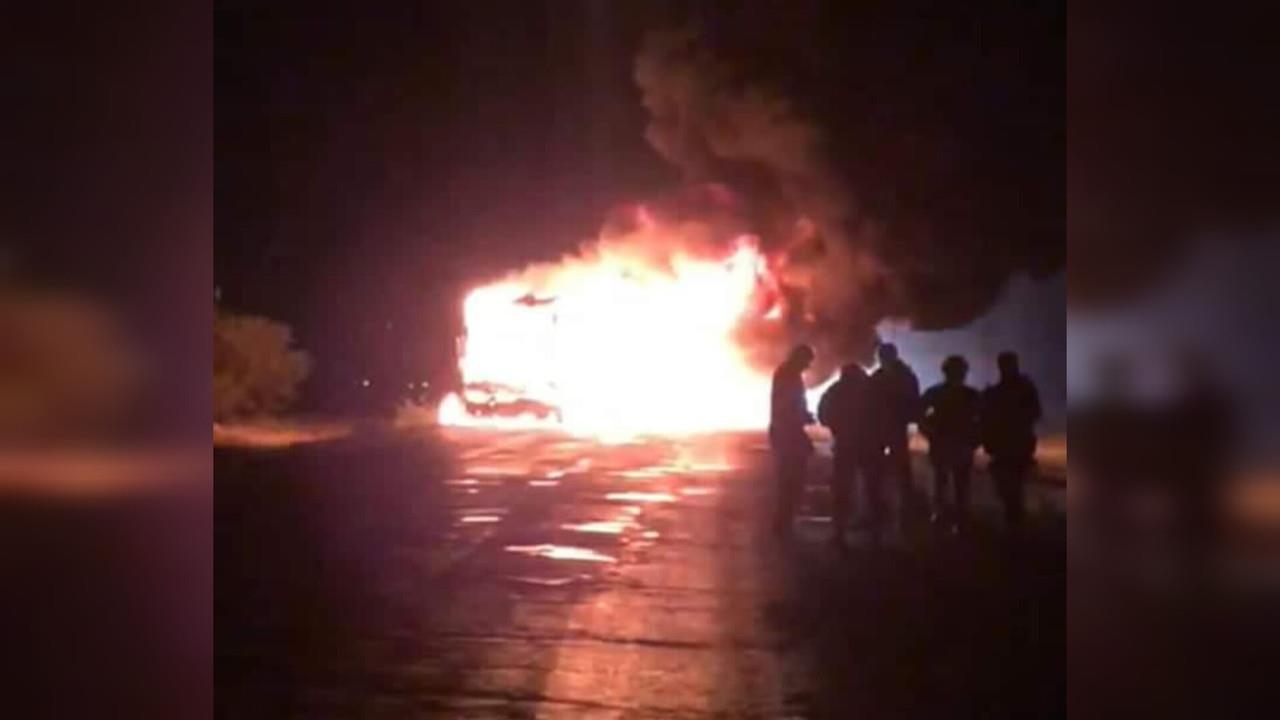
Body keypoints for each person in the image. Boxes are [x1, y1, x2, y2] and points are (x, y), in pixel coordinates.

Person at [818, 362, 879, 547]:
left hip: (845, 445)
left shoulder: (836, 390)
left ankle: (840, 531)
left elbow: (823, 414)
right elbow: (881, 414)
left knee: (842, 489)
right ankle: (875, 531)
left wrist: (837, 428)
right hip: (868, 446)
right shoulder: (870, 391)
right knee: (872, 488)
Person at [920, 355, 982, 533]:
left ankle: (943, 518)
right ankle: (958, 520)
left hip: (946, 444)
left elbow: (920, 415)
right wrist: (975, 440)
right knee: (958, 485)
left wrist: (929, 434)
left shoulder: (936, 393)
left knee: (943, 483)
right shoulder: (971, 395)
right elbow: (983, 420)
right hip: (956, 445)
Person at [981, 351, 1042, 529]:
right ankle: (1015, 526)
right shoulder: (1018, 388)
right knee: (1010, 491)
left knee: (1011, 491)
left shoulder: (1016, 389)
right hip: (1011, 445)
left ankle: (1015, 526)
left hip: (1013, 445)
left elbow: (1034, 412)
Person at [868, 342, 921, 528]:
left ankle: (899, 511)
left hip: (890, 429)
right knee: (890, 471)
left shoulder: (889, 377)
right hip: (886, 429)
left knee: (894, 471)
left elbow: (913, 402)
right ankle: (885, 511)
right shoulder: (902, 376)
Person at [769, 344, 816, 535]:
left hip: (785, 431)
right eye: (807, 362)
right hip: (787, 432)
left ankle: (784, 521)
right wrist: (804, 417)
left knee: (789, 479)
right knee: (791, 479)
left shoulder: (786, 373)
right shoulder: (788, 375)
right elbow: (788, 406)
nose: (808, 366)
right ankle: (784, 522)